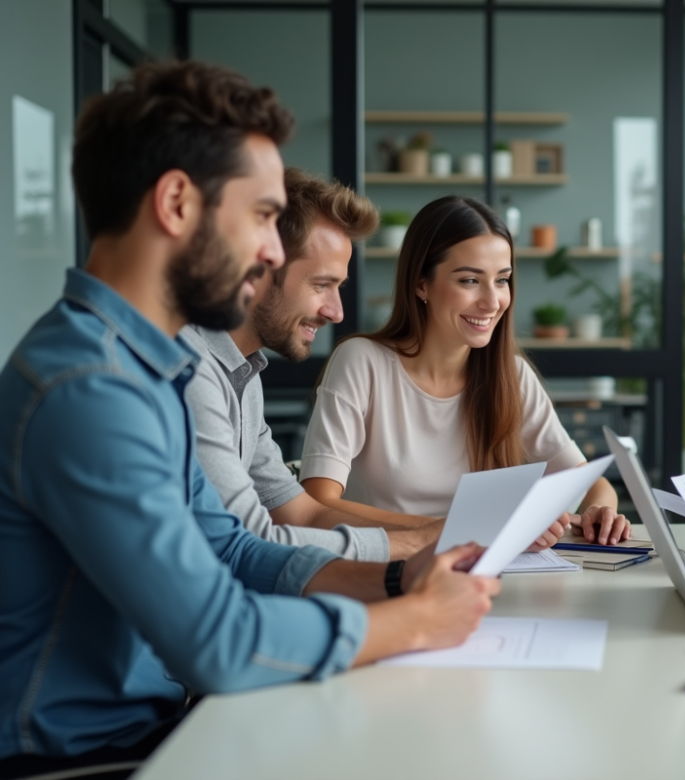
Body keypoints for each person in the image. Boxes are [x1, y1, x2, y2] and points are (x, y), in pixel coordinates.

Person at [0, 61, 498, 777]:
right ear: (177, 203)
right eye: (262, 216)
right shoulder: (90, 388)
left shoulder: (148, 369)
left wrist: (397, 579)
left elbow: (233, 550)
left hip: (152, 731)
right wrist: (415, 621)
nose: (270, 250)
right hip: (86, 761)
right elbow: (217, 640)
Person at [300, 195, 633, 546]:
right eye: (470, 281)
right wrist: (468, 529)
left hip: (487, 572)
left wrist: (599, 512)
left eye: (502, 280)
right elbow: (318, 503)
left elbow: (593, 485)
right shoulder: (361, 362)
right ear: (421, 284)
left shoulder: (512, 376)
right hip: (384, 568)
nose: (492, 302)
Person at [183, 167, 441, 563]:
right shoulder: (191, 367)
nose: (336, 312)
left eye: (338, 287)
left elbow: (303, 513)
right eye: (321, 285)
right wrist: (414, 547)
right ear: (257, 268)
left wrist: (444, 531)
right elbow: (250, 538)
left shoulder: (245, 375)